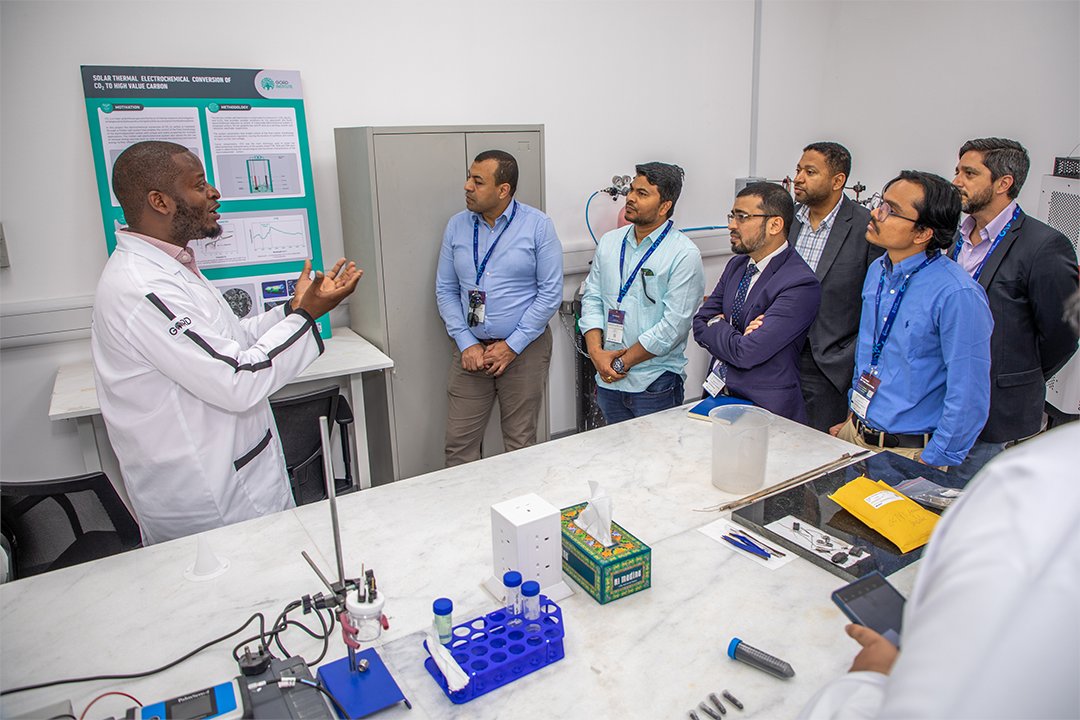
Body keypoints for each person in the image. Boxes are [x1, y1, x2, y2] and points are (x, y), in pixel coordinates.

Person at [798, 293, 1080, 719]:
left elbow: (941, 698)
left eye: (892, 216)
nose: (877, 219)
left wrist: (867, 682)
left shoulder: (1037, 492)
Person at [92, 141, 361, 544]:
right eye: (200, 185)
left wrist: (293, 308)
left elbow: (232, 341)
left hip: (239, 472)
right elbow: (237, 377)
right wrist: (309, 316)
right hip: (209, 501)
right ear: (160, 201)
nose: (214, 193)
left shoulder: (173, 266)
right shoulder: (141, 287)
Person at [830, 171, 992, 469]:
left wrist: (933, 462)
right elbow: (870, 357)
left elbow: (968, 394)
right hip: (856, 438)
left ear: (922, 233)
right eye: (881, 203)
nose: (876, 213)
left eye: (891, 210)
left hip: (910, 455)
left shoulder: (957, 294)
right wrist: (852, 420)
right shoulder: (879, 269)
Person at [948, 137, 1078, 481]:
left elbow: (1066, 333)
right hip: (943, 402)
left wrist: (1016, 377)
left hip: (995, 412)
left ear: (1003, 183)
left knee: (968, 513)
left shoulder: (1045, 246)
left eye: (969, 173)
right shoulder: (953, 238)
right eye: (958, 170)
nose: (957, 181)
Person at [435, 150, 563, 466]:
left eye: (477, 181)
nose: (467, 186)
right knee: (459, 447)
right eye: (468, 177)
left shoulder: (538, 226)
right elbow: (446, 290)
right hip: (470, 353)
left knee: (520, 445)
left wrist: (511, 346)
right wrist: (466, 343)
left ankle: (518, 513)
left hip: (524, 351)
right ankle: (466, 513)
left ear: (503, 190)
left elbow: (550, 294)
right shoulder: (457, 226)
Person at [580, 162, 705, 423]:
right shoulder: (610, 243)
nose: (631, 198)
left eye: (643, 194)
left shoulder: (683, 254)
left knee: (656, 462)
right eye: (632, 191)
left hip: (654, 383)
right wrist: (597, 354)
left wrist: (619, 364)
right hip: (608, 381)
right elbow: (592, 299)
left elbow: (673, 328)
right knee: (614, 459)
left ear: (665, 206)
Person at [693, 182, 821, 422]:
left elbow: (746, 353)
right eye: (732, 216)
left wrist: (719, 326)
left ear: (775, 224)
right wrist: (737, 335)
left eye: (742, 217)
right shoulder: (737, 265)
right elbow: (699, 322)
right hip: (719, 395)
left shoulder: (800, 283)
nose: (732, 225)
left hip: (766, 411)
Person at [789, 142, 884, 431]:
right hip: (780, 353)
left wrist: (847, 358)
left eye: (810, 171)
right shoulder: (786, 219)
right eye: (798, 169)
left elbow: (876, 303)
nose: (799, 178)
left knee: (818, 454)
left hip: (828, 364)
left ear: (837, 181)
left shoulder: (865, 227)